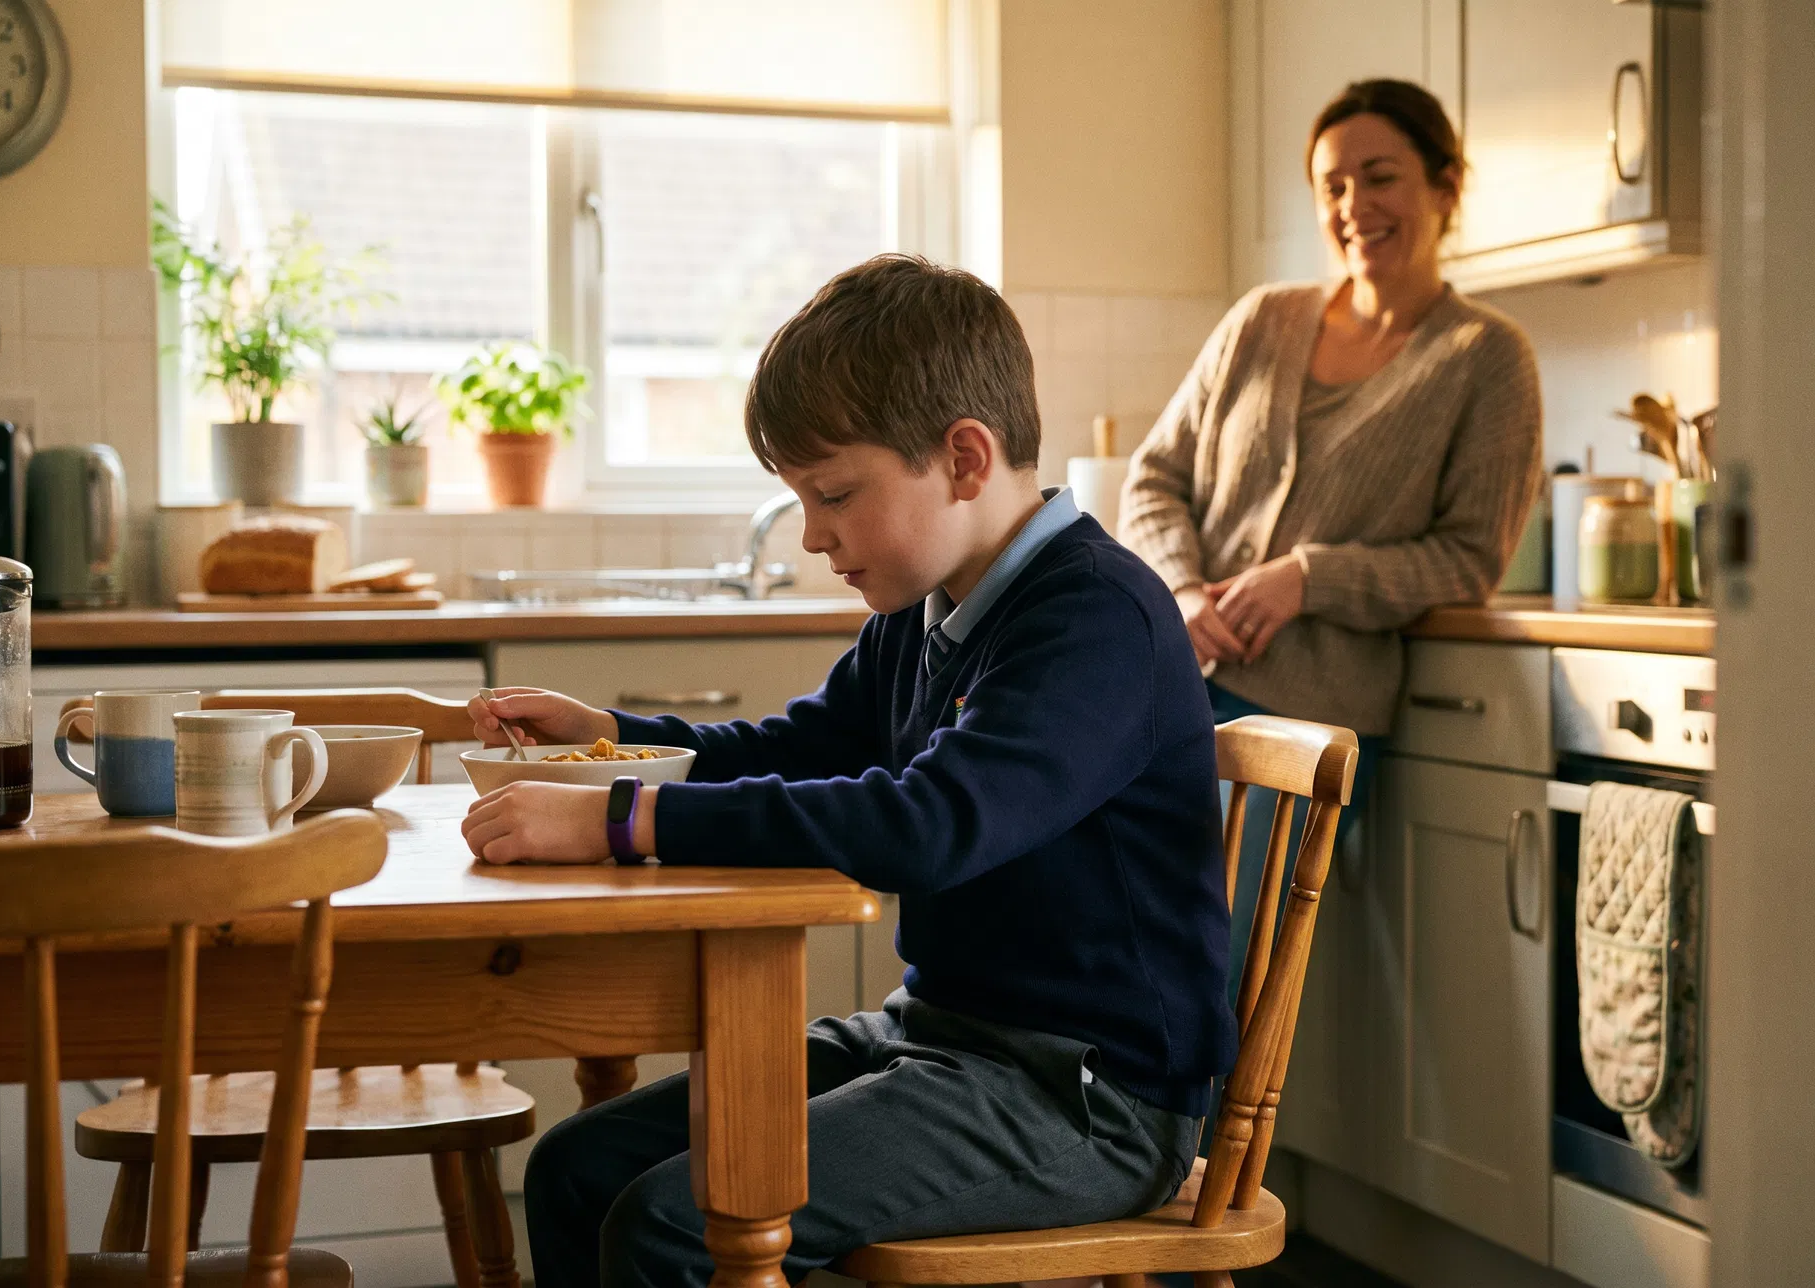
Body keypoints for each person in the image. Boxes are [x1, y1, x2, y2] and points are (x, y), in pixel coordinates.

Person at [460, 254, 1236, 1288]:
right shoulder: (932, 609)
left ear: (964, 458)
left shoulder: (1095, 617)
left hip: (1088, 1096)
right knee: (575, 1166)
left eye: (833, 495)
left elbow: (930, 823)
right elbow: (792, 748)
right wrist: (608, 735)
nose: (815, 535)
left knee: (671, 1223)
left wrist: (623, 822)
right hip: (940, 1036)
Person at [1119, 78, 1544, 991]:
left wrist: (1310, 577)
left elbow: (1470, 556)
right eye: (1332, 185)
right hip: (1166, 692)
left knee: (1205, 977)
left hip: (1307, 724)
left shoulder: (1486, 356)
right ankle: (1048, 1133)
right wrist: (1183, 589)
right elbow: (1155, 474)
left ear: (1445, 186)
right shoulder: (1260, 320)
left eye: (1380, 176)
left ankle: (1163, 1141)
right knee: (1092, 945)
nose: (1354, 206)